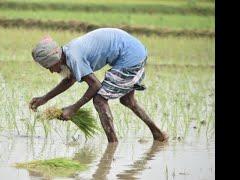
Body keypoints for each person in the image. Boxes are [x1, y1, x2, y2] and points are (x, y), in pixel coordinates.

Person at [29, 28, 168, 143]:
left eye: (50, 67)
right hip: (134, 51)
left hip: (130, 56)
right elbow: (69, 80)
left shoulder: (74, 58)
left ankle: (113, 143)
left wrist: (73, 108)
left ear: (56, 60)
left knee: (100, 100)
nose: (52, 71)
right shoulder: (67, 53)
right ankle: (157, 134)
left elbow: (95, 85)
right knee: (127, 100)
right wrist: (44, 99)